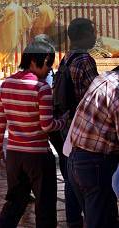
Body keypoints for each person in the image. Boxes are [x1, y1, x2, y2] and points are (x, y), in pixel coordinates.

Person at [0, 38, 67, 228]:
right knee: (45, 208)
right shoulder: (42, 88)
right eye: (48, 64)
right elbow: (47, 126)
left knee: (14, 204)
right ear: (35, 61)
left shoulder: (7, 83)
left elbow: (0, 122)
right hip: (39, 157)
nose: (49, 70)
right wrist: (64, 121)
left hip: (15, 156)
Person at [51, 18, 98, 228]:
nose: (95, 36)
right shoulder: (84, 60)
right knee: (90, 177)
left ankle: (72, 219)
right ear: (84, 35)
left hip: (65, 124)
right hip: (82, 125)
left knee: (69, 175)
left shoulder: (66, 58)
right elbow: (96, 94)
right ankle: (92, 217)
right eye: (92, 32)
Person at [67, 66, 119, 228]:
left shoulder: (104, 78)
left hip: (76, 159)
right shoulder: (117, 91)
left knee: (101, 219)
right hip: (95, 165)